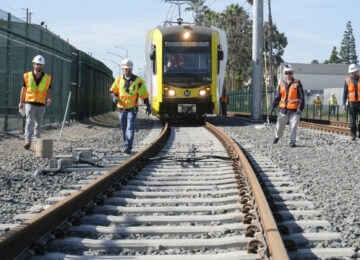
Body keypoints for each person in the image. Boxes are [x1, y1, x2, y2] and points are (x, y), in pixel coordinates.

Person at [110, 58, 151, 154]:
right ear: (122, 69)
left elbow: (144, 95)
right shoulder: (118, 80)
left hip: (132, 110)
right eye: (125, 69)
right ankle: (126, 144)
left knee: (130, 128)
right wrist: (114, 97)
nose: (127, 70)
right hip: (121, 109)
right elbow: (112, 91)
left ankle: (128, 147)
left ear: (132, 69)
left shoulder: (138, 81)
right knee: (124, 128)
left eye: (129, 69)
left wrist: (148, 105)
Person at [18, 55, 52, 150]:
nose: (39, 66)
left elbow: (48, 90)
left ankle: (37, 143)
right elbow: (23, 89)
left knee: (38, 124)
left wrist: (49, 99)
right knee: (29, 121)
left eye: (41, 65)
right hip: (29, 102)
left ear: (43, 66)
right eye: (37, 64)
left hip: (41, 104)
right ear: (34, 65)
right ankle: (27, 141)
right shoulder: (27, 76)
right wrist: (21, 102)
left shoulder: (47, 78)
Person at [270, 64, 304, 147]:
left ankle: (292, 141)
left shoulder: (297, 83)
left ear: (293, 73)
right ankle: (278, 136)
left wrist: (300, 108)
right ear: (284, 73)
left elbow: (302, 97)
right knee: (280, 126)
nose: (288, 75)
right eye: (286, 73)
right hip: (283, 110)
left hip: (294, 110)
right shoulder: (281, 84)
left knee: (293, 126)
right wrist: (272, 106)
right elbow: (277, 97)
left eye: (290, 73)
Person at [342, 64, 360, 140]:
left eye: (354, 72)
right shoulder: (347, 80)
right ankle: (353, 134)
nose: (352, 74)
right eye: (351, 72)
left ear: (357, 71)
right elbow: (345, 93)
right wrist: (343, 104)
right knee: (352, 120)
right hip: (352, 103)